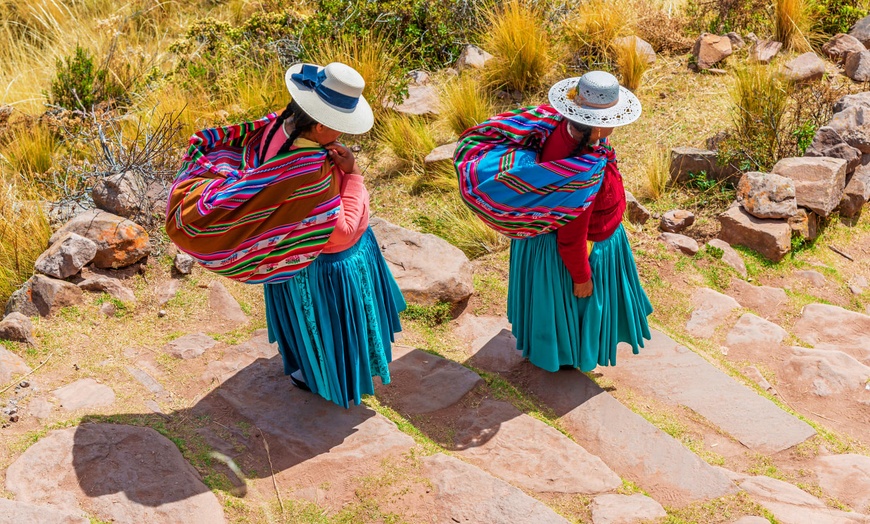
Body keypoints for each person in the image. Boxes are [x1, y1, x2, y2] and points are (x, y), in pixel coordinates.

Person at [166, 62, 405, 408]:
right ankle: (337, 378)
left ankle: (304, 368)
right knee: (332, 331)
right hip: (324, 268)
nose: (343, 136)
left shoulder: (278, 124)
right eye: (339, 127)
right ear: (321, 124)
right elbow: (342, 233)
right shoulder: (311, 171)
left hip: (288, 255)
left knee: (306, 328)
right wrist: (354, 177)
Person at [454, 71, 652, 373]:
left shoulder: (558, 124)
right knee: (574, 305)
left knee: (552, 307)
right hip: (572, 251)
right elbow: (571, 237)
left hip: (545, 240)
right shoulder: (578, 173)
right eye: (613, 116)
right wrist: (582, 276)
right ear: (598, 124)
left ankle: (558, 349)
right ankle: (567, 357)